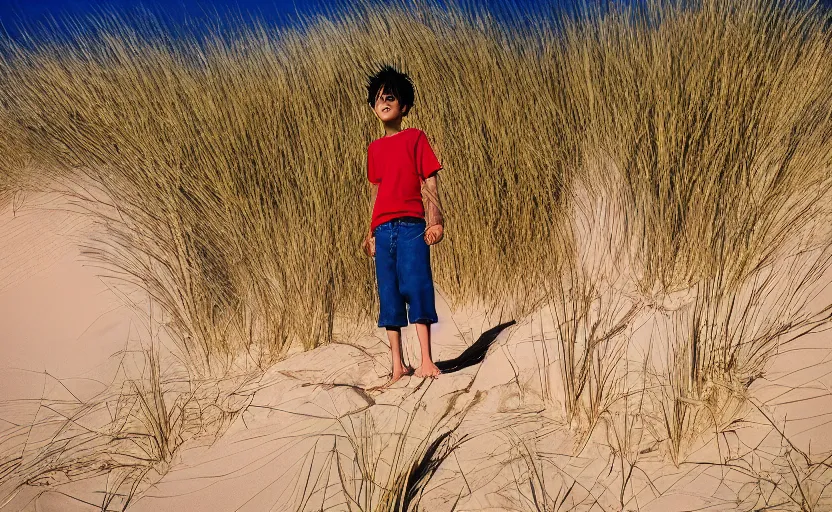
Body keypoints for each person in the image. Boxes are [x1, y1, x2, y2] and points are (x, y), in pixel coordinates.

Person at [361, 64, 445, 386]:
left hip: (412, 226)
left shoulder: (415, 138)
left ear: (404, 106)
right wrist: (368, 233)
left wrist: (435, 221)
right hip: (383, 231)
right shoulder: (374, 148)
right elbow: (375, 192)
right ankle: (397, 365)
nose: (384, 102)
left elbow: (430, 181)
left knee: (419, 287)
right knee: (389, 294)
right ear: (373, 106)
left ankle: (426, 359)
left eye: (391, 97)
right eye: (379, 98)